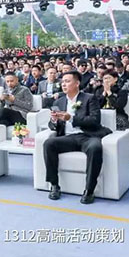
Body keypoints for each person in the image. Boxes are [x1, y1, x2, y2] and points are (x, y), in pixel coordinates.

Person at [44, 71, 112, 204]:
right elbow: (52, 126)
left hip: (87, 136)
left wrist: (71, 118)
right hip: (68, 137)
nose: (64, 84)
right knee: (49, 143)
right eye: (62, 82)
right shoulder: (59, 101)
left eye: (67, 81)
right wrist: (54, 120)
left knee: (95, 147)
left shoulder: (89, 98)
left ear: (77, 83)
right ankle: (54, 185)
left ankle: (89, 190)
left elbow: (94, 121)